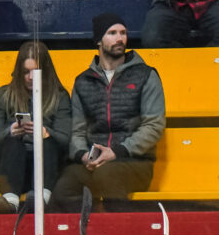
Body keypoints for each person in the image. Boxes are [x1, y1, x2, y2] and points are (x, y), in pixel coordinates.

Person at [51, 13, 165, 210]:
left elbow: (154, 126)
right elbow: (77, 130)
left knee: (108, 175)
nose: (119, 38)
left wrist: (116, 152)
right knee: (64, 186)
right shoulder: (83, 81)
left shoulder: (146, 75)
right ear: (98, 40)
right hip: (94, 163)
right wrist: (83, 156)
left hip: (135, 161)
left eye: (123, 33)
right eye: (112, 33)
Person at [0, 41, 72, 214]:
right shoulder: (3, 95)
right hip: (8, 169)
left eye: (35, 72)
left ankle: (41, 200)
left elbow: (66, 139)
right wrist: (9, 132)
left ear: (45, 72)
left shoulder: (60, 97)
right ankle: (10, 202)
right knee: (13, 141)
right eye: (26, 72)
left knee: (47, 142)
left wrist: (46, 133)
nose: (31, 77)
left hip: (47, 170)